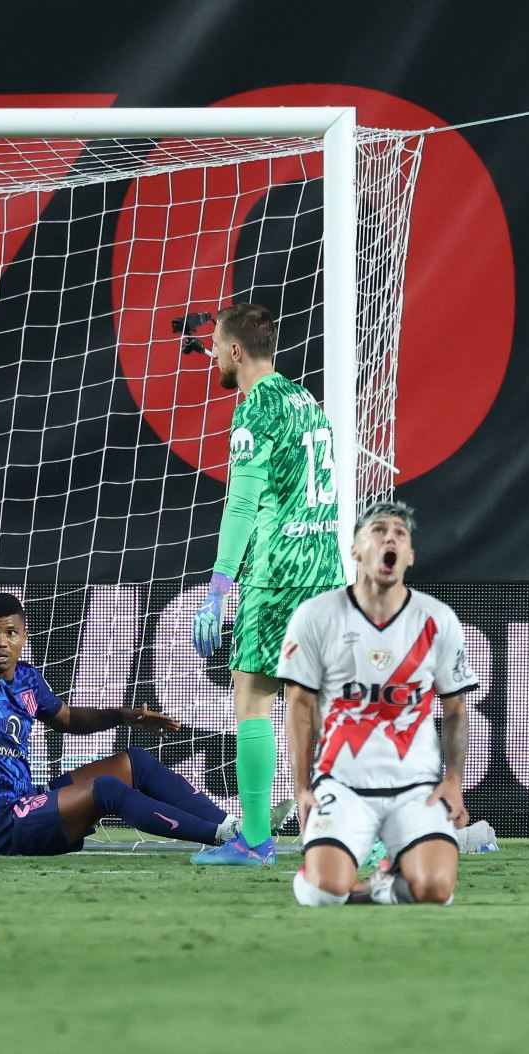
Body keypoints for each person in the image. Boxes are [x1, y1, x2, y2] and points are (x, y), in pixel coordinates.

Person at [0, 474, 237, 857]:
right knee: (106, 791)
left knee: (133, 763)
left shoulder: (27, 681)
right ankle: (218, 838)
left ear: (24, 636)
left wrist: (127, 715)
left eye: (9, 633)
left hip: (30, 803)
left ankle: (231, 826)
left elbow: (69, 720)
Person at [189, 303, 346, 867]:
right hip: (326, 566)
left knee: (252, 698)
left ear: (236, 351)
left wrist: (217, 590)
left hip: (279, 570)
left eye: (215, 346)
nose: (208, 355)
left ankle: (255, 838)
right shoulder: (305, 400)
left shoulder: (254, 407)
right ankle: (357, 835)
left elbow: (242, 505)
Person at [281, 501, 479, 907]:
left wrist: (454, 780)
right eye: (378, 530)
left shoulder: (436, 619)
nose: (390, 537)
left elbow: (456, 709)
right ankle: (336, 875)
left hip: (416, 786)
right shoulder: (316, 616)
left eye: (400, 534)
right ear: (355, 549)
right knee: (321, 893)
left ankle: (387, 883)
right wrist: (302, 788)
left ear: (409, 556)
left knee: (436, 891)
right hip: (342, 783)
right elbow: (299, 707)